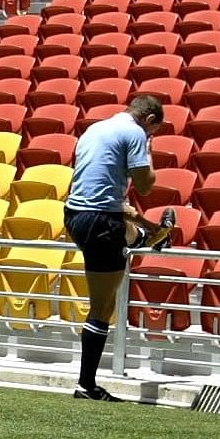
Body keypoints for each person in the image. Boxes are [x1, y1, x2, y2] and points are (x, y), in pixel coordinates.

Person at [61, 94, 167, 401]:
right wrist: (149, 151)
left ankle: (141, 236)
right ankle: (87, 385)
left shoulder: (95, 129)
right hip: (100, 222)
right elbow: (146, 185)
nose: (149, 136)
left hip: (75, 215)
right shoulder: (136, 133)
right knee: (102, 308)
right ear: (149, 120)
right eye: (153, 131)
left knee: (127, 219)